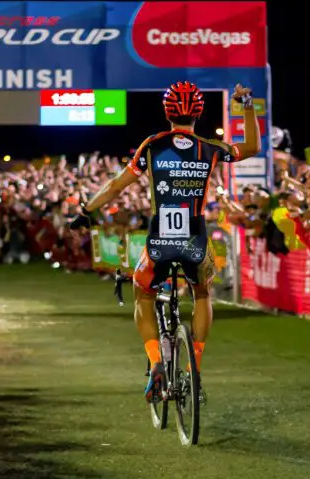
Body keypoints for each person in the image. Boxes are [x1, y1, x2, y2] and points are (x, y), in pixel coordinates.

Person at [70, 81, 261, 401]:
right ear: (199, 113)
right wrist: (246, 103)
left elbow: (116, 186)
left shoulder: (153, 145)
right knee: (202, 294)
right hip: (195, 241)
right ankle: (194, 369)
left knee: (142, 294)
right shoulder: (210, 147)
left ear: (168, 112)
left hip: (160, 241)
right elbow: (251, 146)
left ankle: (157, 363)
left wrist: (86, 211)